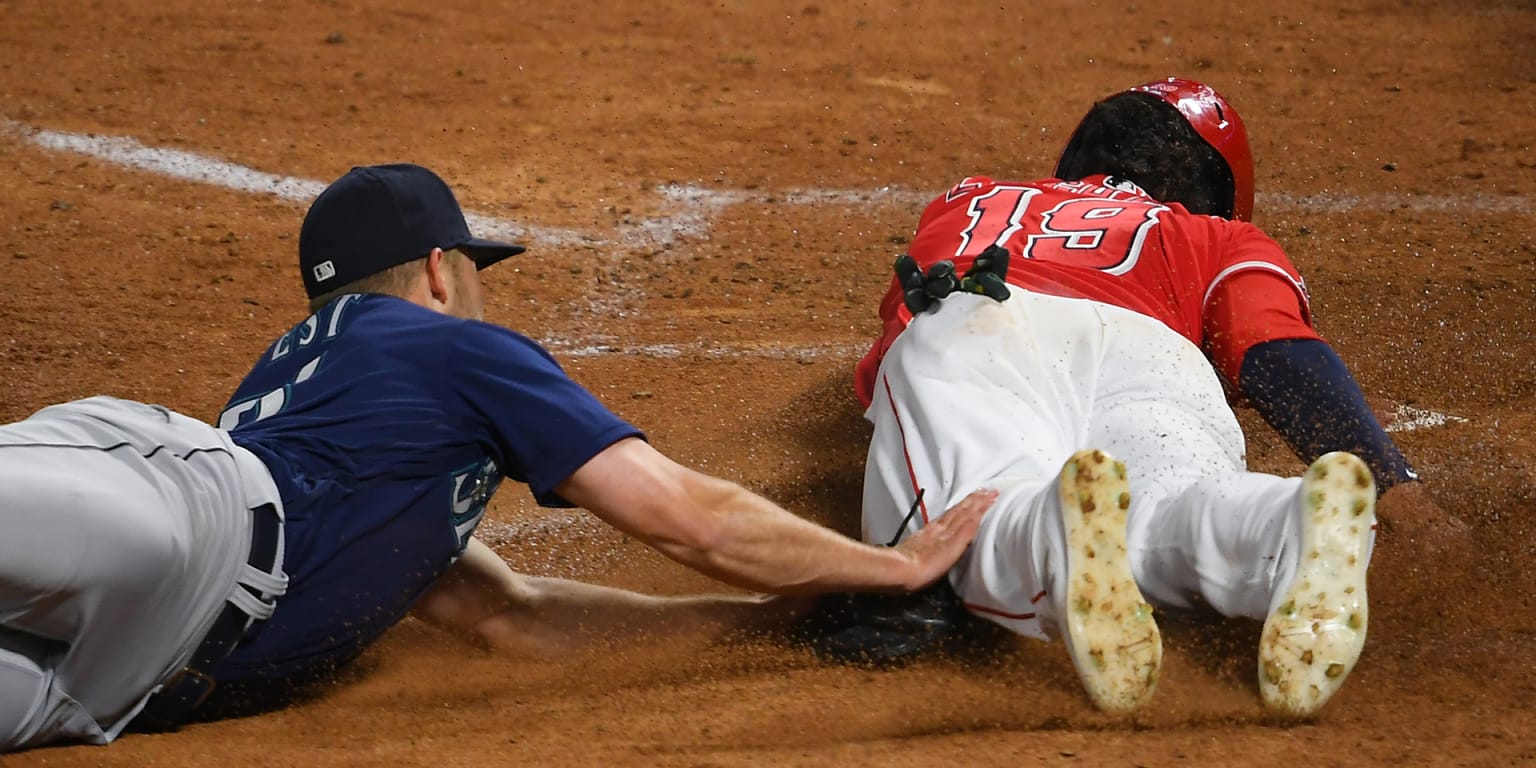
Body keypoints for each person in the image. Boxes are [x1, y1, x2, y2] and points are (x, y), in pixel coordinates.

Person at [0, 163, 997, 752]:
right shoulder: (453, 348)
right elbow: (680, 515)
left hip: (120, 684)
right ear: (440, 271)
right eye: (473, 269)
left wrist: (780, 622)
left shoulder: (347, 404)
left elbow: (511, 617)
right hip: (181, 522)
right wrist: (891, 567)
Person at [845, 77, 1428, 717]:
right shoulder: (1217, 238)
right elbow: (1273, 352)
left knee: (960, 526)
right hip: (1155, 350)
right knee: (1174, 498)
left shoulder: (970, 201)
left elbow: (883, 372)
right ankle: (1278, 523)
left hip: (980, 321)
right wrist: (1390, 479)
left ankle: (1047, 528)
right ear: (1214, 193)